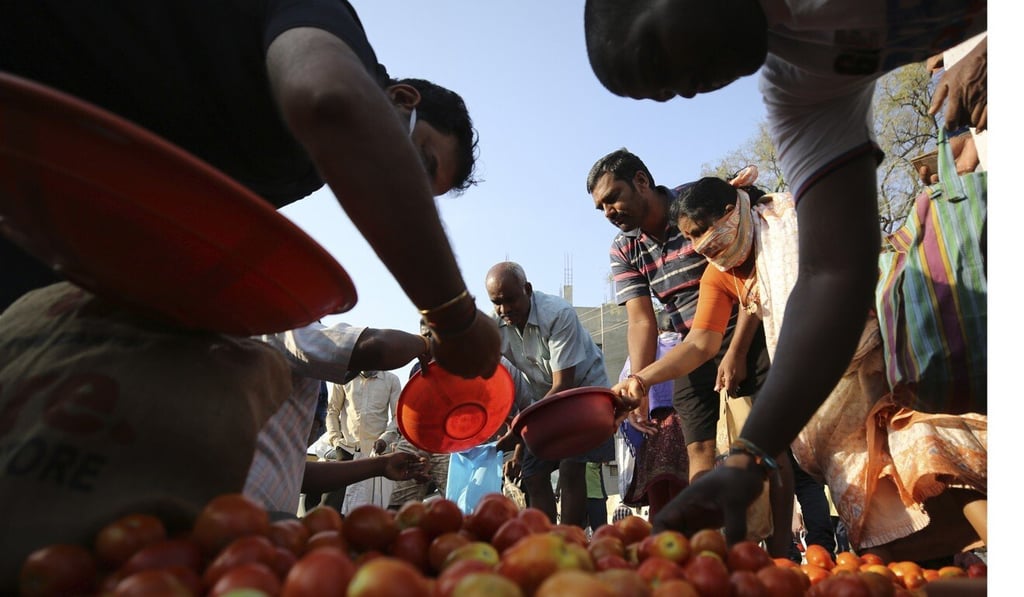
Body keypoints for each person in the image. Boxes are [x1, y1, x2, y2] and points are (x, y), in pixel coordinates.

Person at [583, 0, 987, 547]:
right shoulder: (799, 86)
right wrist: (748, 450)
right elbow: (830, 275)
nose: (686, 88)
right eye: (664, 91)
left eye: (661, 56)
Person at [0, 1, 500, 381]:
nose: (397, 186)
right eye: (415, 165)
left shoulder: (298, 168)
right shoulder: (326, 23)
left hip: (42, 215)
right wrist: (452, 316)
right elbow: (332, 102)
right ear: (401, 98)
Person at [623, 172, 986, 562]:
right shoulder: (719, 272)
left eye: (699, 232)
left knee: (930, 460)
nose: (697, 246)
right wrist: (643, 378)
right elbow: (699, 343)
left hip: (884, 365)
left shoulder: (793, 226)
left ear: (730, 214)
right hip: (830, 405)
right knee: (877, 511)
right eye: (689, 238)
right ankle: (939, 564)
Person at [586, 149, 771, 486]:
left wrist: (738, 351)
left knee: (769, 439)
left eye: (613, 199)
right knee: (697, 443)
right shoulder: (624, 248)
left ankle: (790, 533)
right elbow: (642, 322)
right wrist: (639, 384)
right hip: (692, 343)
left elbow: (753, 277)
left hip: (749, 324)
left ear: (641, 181)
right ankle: (703, 535)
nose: (609, 213)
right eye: (601, 208)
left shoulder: (697, 201)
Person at [487, 261, 618, 527]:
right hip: (544, 402)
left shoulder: (558, 314)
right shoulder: (496, 324)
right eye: (497, 302)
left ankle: (569, 539)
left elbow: (564, 385)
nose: (505, 309)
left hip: (584, 396)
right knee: (533, 473)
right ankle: (544, 540)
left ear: (528, 289)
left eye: (511, 300)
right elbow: (489, 377)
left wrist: (519, 426)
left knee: (571, 466)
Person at [616, 311, 690, 519]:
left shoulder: (646, 352)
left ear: (657, 331)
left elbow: (625, 393)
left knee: (659, 496)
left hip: (653, 430)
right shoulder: (689, 345)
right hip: (690, 425)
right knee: (687, 490)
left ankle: (659, 543)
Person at [311, 369, 402, 512]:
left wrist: (385, 439)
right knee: (330, 507)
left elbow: (398, 417)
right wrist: (336, 440)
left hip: (375, 454)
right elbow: (332, 411)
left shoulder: (391, 380)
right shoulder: (343, 377)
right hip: (346, 451)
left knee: (371, 510)